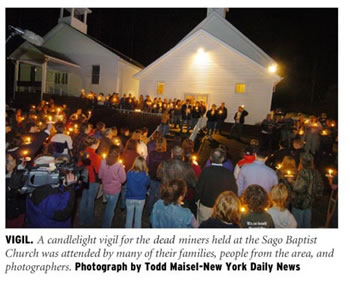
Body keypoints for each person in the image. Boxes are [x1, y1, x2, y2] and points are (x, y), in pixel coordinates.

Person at [195, 148, 238, 224]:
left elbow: (198, 189)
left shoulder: (205, 171)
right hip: (222, 208)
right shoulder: (228, 174)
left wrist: (196, 201)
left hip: (206, 206)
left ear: (211, 158)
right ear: (223, 159)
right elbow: (233, 192)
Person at [291, 153, 324, 228]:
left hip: (299, 202)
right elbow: (320, 186)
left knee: (297, 224)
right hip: (310, 202)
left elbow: (298, 188)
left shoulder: (303, 172)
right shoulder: (316, 172)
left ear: (302, 162)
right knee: (307, 223)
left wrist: (292, 182)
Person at [98, 145, 126, 228]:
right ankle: (106, 226)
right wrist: (123, 169)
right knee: (111, 209)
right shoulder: (119, 166)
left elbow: (100, 176)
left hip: (106, 189)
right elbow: (123, 180)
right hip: (115, 191)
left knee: (108, 207)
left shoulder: (103, 162)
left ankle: (105, 223)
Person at [79, 136, 101, 226]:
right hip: (93, 180)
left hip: (84, 179)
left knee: (84, 199)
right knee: (91, 200)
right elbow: (98, 170)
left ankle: (81, 219)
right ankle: (89, 221)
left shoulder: (83, 153)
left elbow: (79, 164)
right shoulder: (95, 156)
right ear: (95, 145)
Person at [125, 156, 150, 228]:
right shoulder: (146, 175)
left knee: (129, 218)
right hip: (141, 198)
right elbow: (147, 184)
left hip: (130, 197)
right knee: (138, 219)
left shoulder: (129, 173)